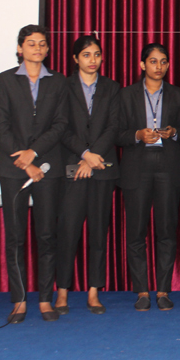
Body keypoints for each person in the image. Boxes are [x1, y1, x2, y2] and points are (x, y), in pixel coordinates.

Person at [0, 24, 68, 323]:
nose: (38, 48)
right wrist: (25, 161)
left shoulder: (58, 82)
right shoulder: (6, 79)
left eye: (42, 43)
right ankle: (19, 300)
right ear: (20, 48)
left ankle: (46, 300)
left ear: (48, 49)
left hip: (48, 167)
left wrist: (34, 153)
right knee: (15, 237)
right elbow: (0, 124)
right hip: (13, 169)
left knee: (47, 235)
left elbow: (61, 124)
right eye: (31, 43)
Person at [116, 43, 180, 311]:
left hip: (168, 166)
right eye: (153, 61)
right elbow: (116, 133)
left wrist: (174, 133)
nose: (159, 66)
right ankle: (142, 291)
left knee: (167, 231)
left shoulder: (178, 95)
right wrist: (137, 134)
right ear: (142, 65)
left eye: (164, 61)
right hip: (137, 166)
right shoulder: (126, 95)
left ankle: (163, 291)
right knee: (136, 232)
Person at [55, 35, 120, 315]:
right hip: (73, 167)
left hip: (102, 169)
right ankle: (62, 291)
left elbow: (114, 126)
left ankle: (94, 291)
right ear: (75, 59)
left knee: (98, 232)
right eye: (86, 55)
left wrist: (93, 157)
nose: (93, 60)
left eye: (97, 54)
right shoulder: (63, 86)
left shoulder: (112, 87)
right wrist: (84, 153)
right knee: (67, 231)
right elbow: (61, 127)